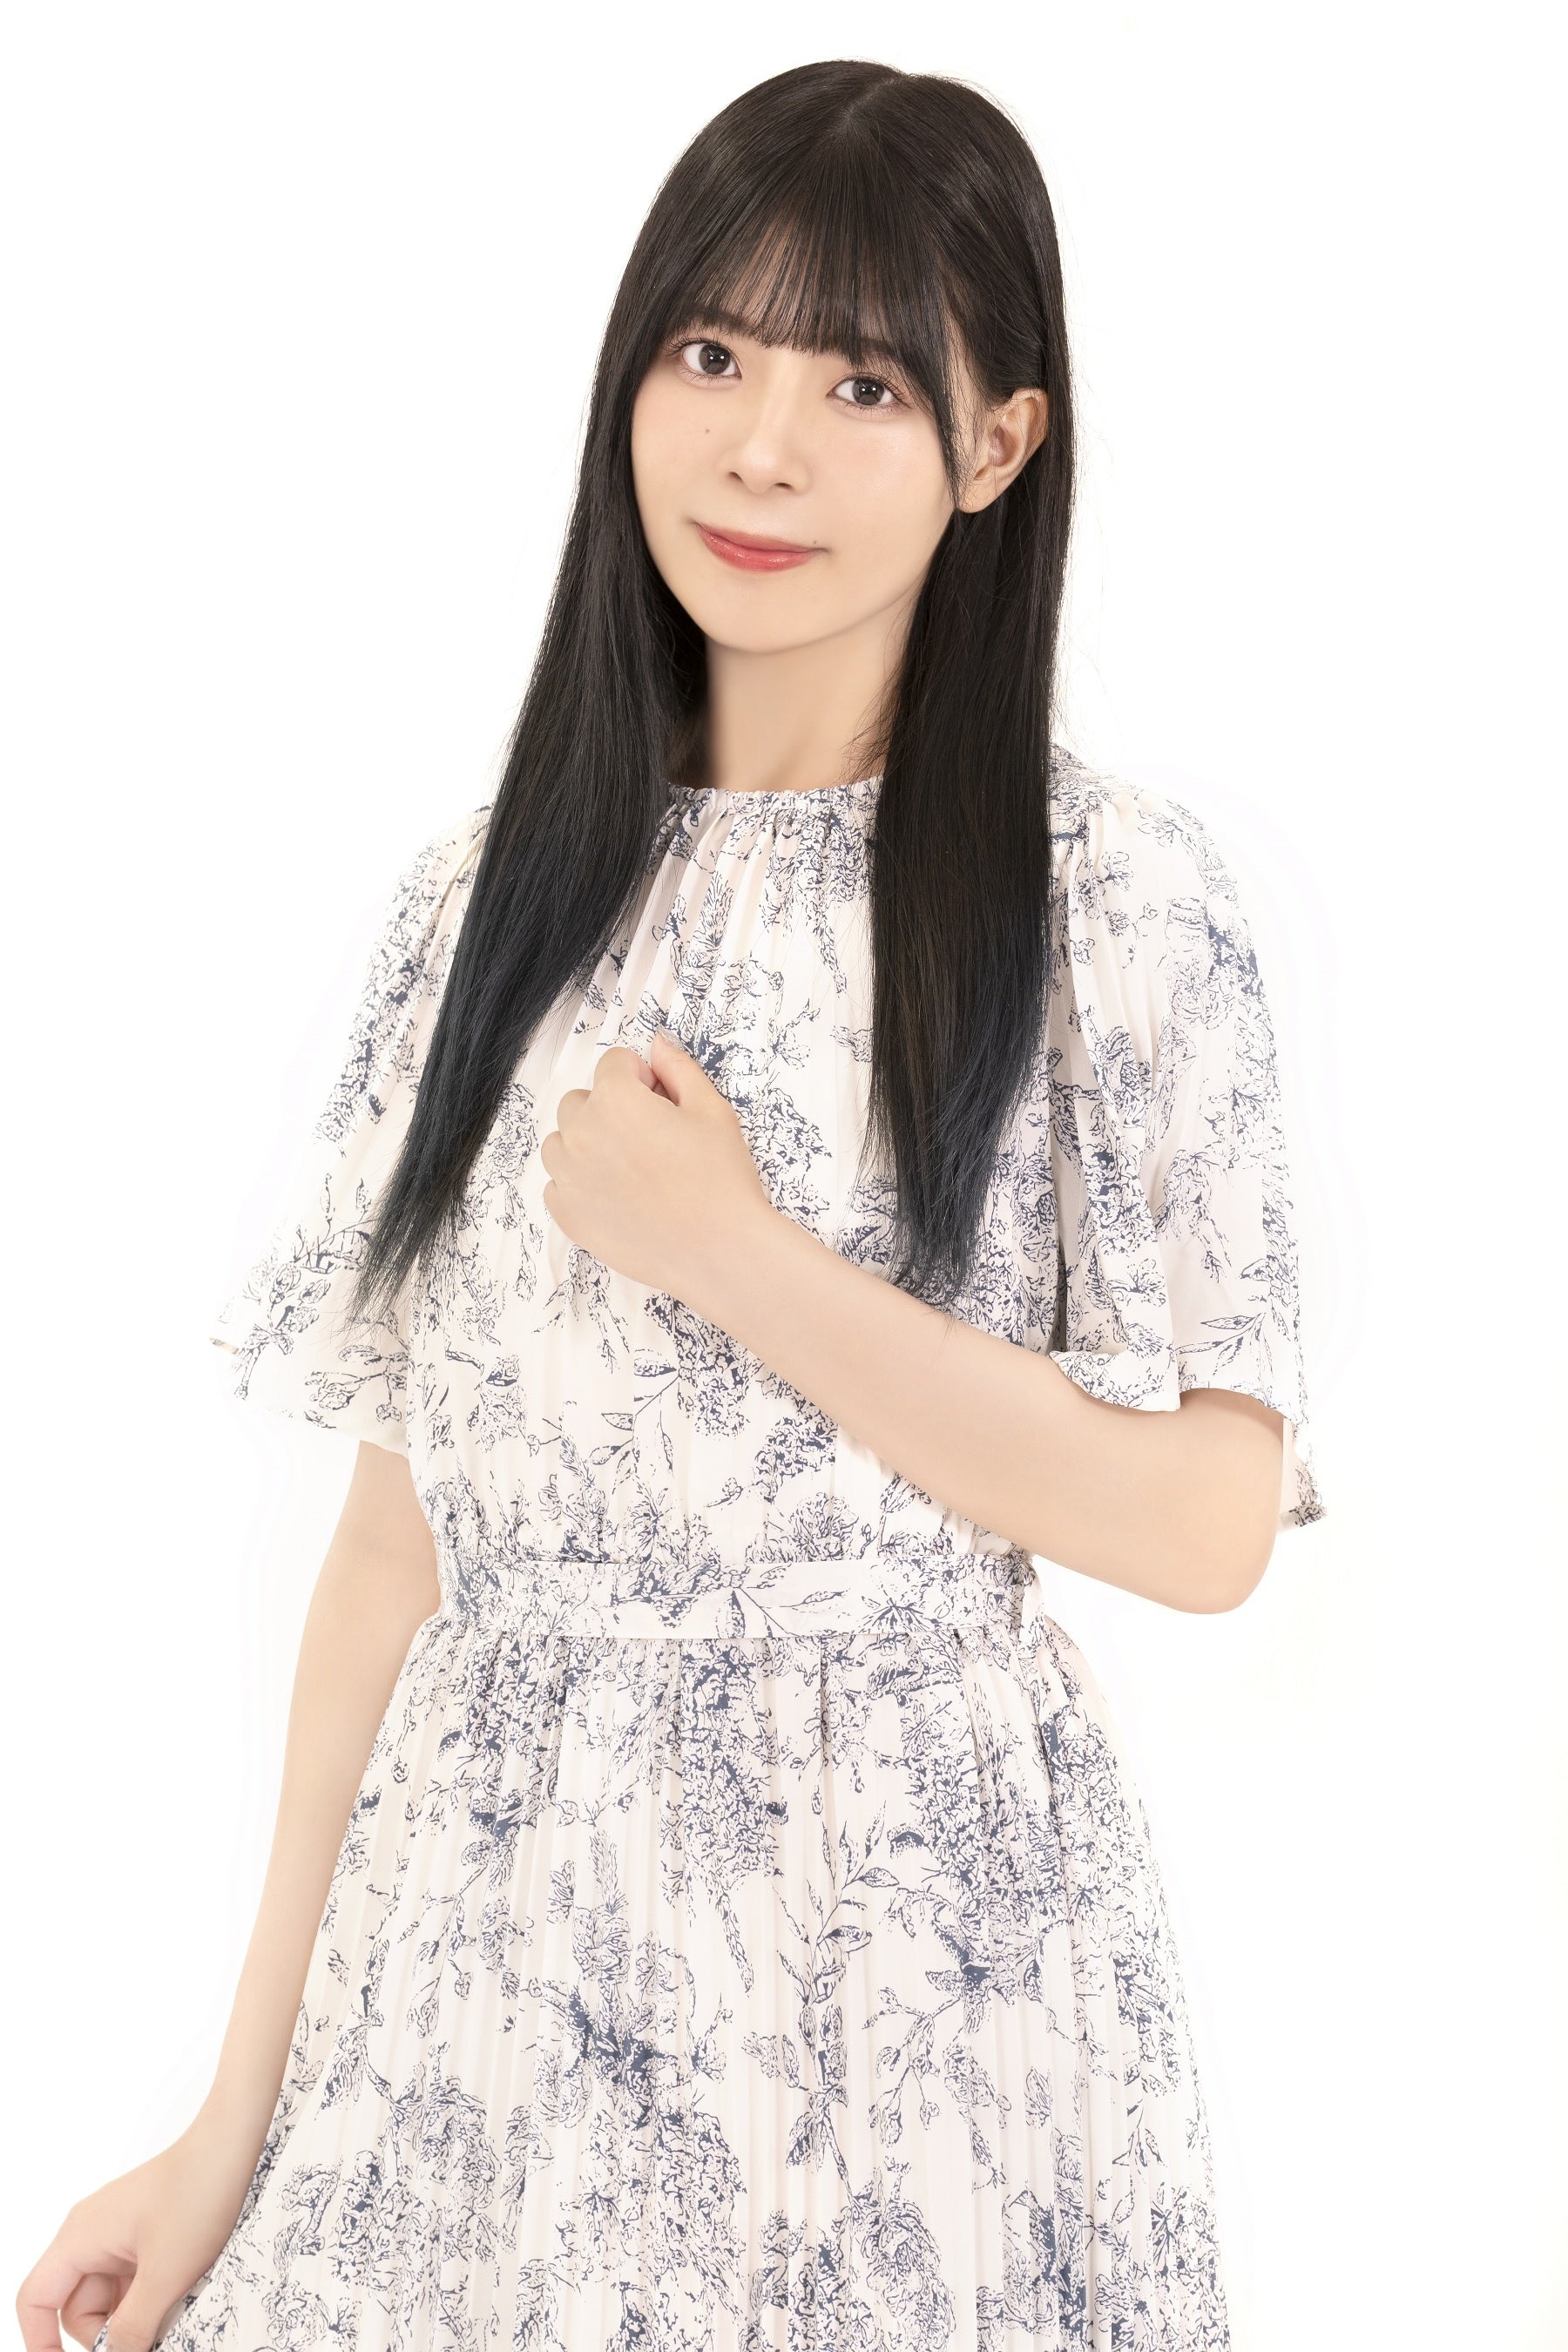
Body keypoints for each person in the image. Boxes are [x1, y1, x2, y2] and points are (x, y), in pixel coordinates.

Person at [19, 57, 1324, 2352]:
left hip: (914, 1996)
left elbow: (1208, 1523)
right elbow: (399, 1549)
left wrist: (738, 1258)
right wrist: (228, 2127)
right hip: (479, 1995)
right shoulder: (486, 905)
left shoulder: (1105, 898)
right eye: (710, 352)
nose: (759, 449)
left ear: (998, 444)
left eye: (862, 384)